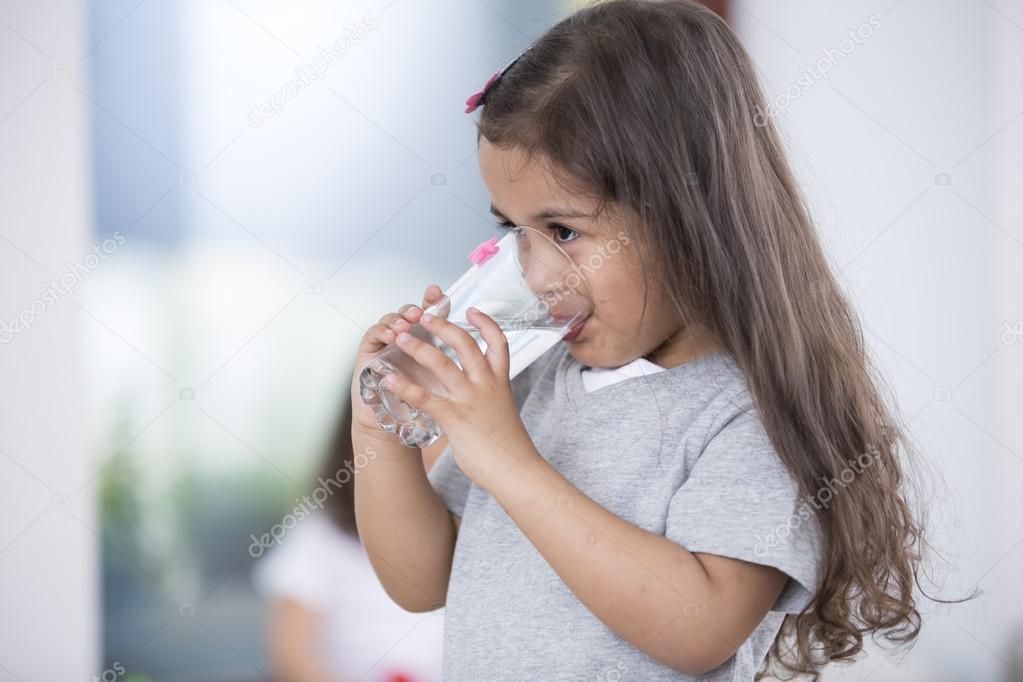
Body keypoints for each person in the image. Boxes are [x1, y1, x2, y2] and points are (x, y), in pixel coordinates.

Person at [351, 1, 934, 679]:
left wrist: (508, 460)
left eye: (562, 231)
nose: (533, 273)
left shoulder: (746, 412)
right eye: (512, 231)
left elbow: (697, 631)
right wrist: (379, 433)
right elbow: (420, 585)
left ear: (687, 217)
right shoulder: (537, 381)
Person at [253, 392, 445, 682]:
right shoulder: (323, 531)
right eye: (414, 428)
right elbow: (290, 652)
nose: (441, 446)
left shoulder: (479, 529)